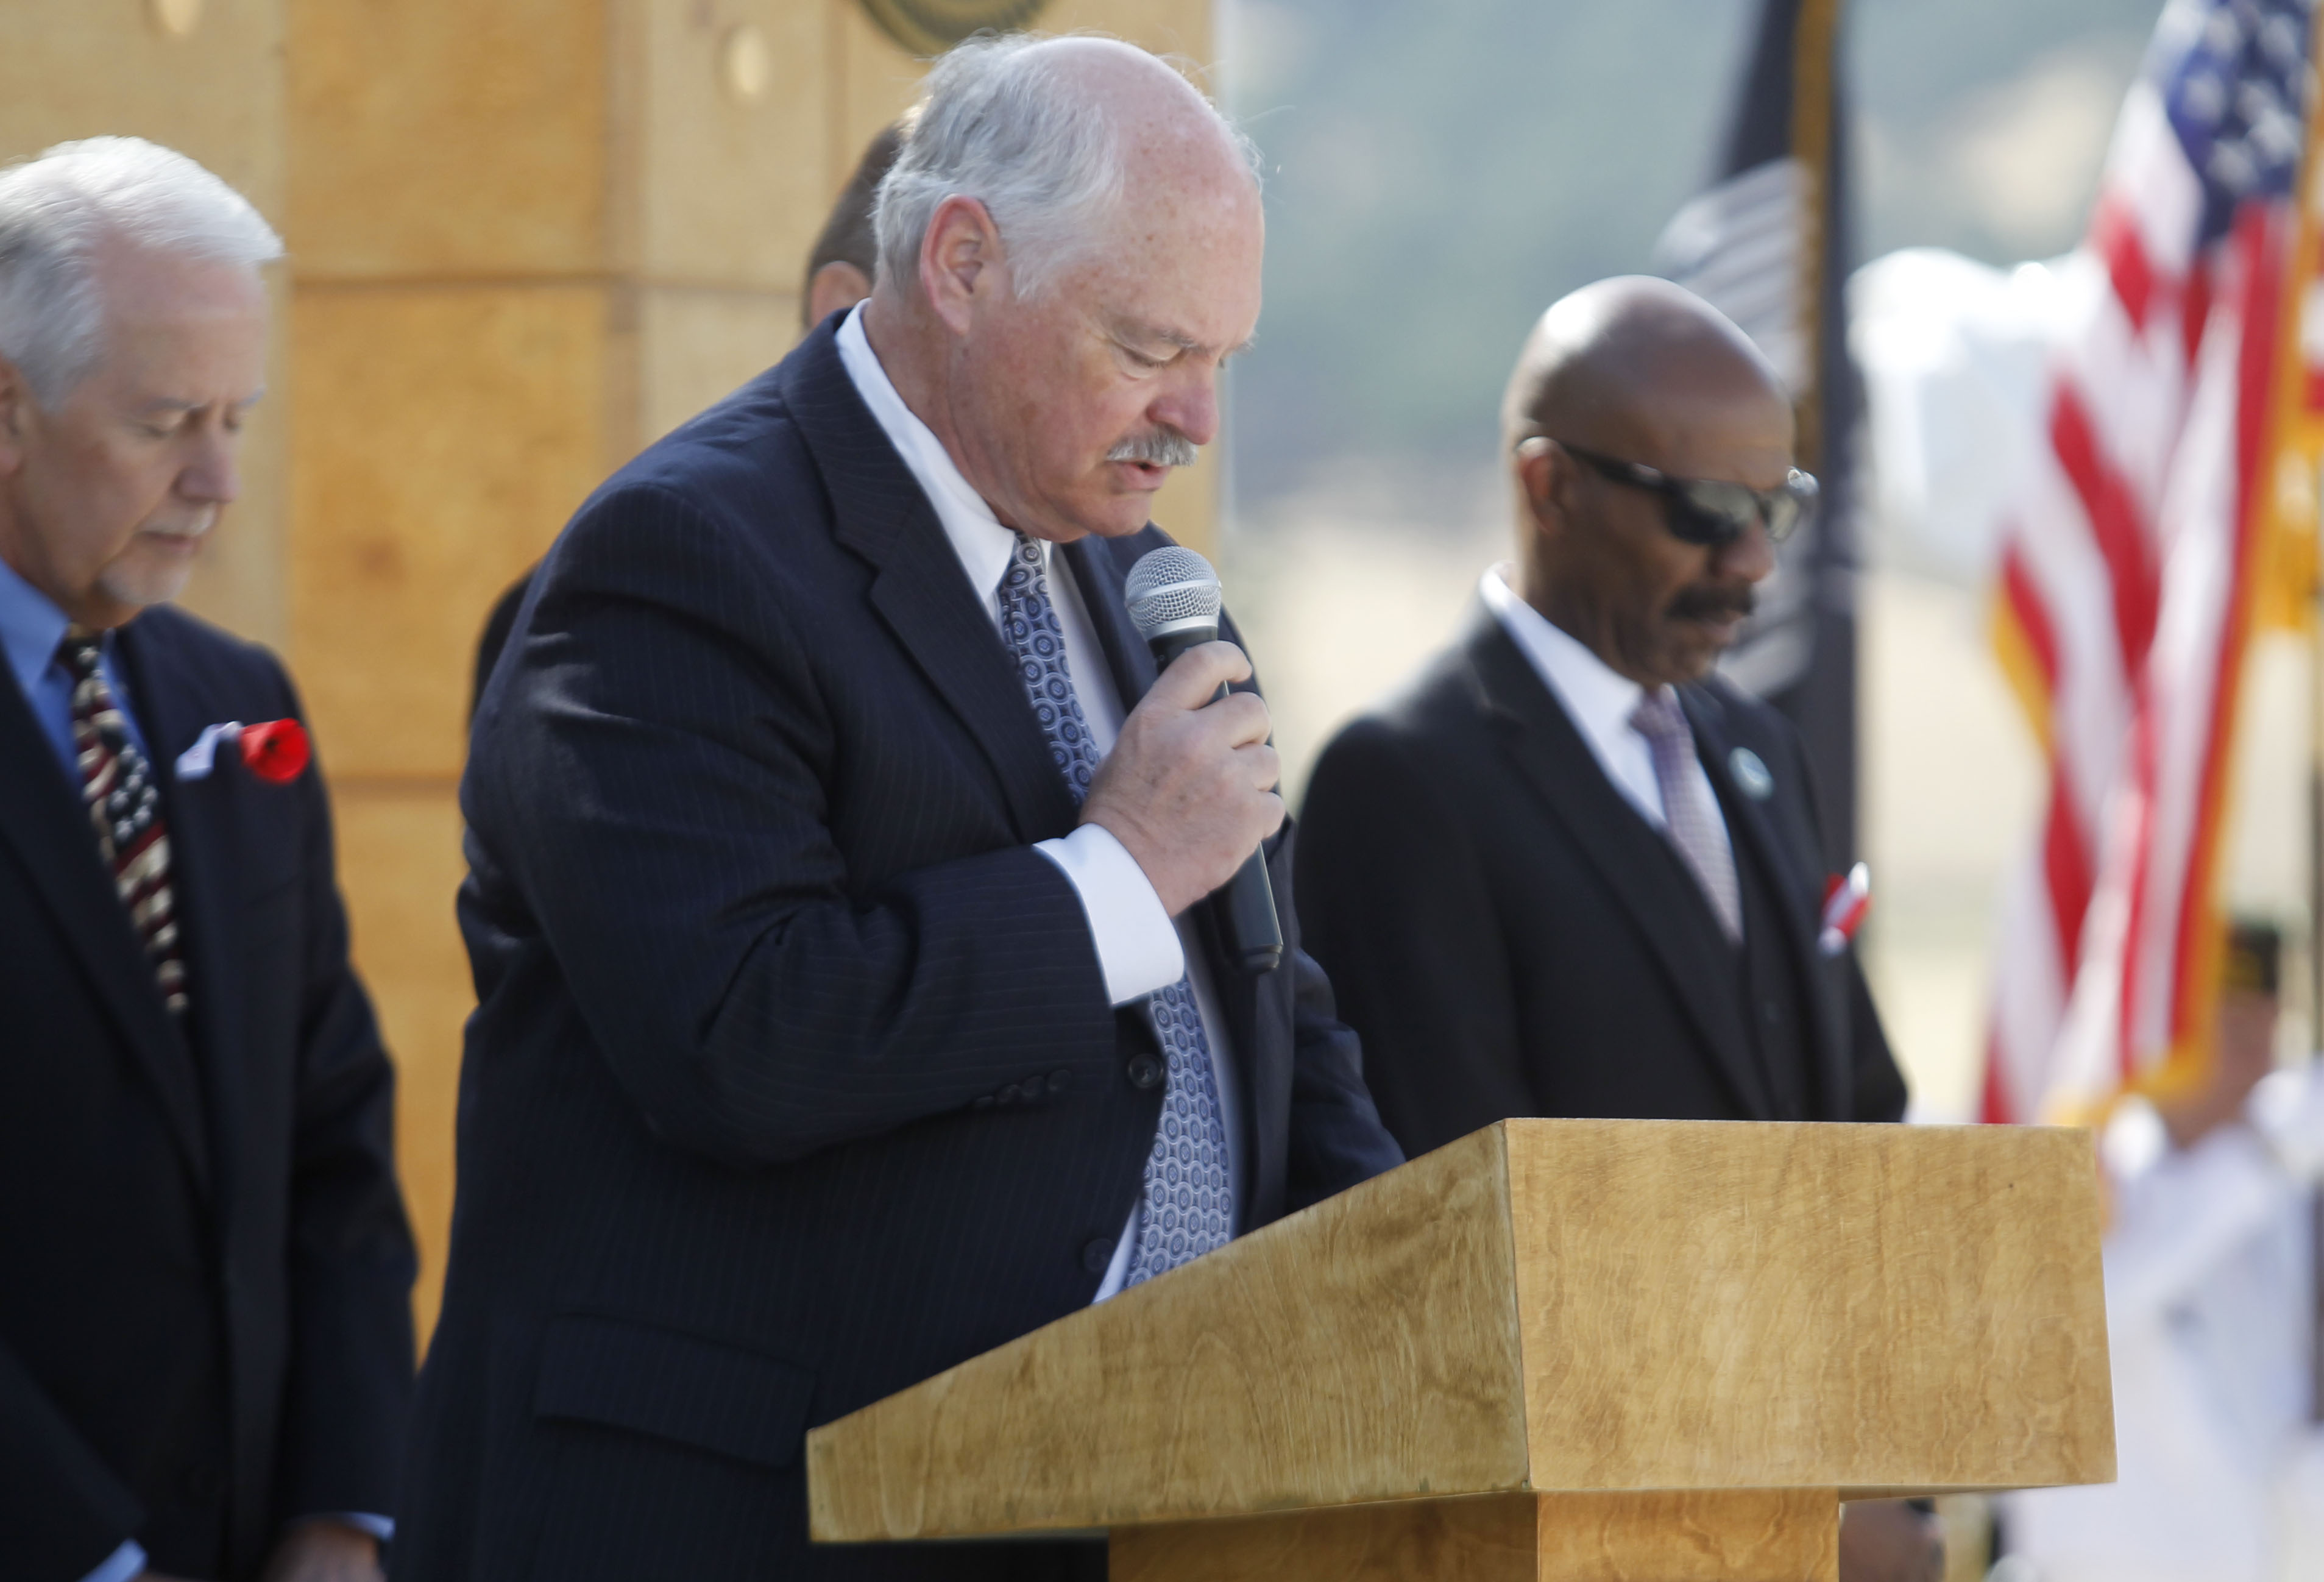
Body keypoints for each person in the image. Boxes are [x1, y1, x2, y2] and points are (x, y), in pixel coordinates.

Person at [396, 35, 1400, 1581]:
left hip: (1128, 1508)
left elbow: (1257, 997)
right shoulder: (679, 557)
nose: (1193, 417)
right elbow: (740, 1031)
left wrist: (1432, 1270)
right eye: (1146, 346)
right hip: (751, 1518)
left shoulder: (1143, 582)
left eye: (1222, 358)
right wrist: (1116, 873)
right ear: (961, 263)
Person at [1294, 276, 1930, 1580]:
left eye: (1777, 506)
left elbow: (1856, 1118)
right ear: (1549, 485)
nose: (1751, 559)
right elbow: (1468, 1250)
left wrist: (1873, 1463)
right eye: (1706, 511)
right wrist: (1778, 1516)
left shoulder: (1758, 753)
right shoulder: (1406, 781)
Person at [0, 138, 416, 1582]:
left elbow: (334, 1143)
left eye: (239, 414)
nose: (219, 478)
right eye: (170, 419)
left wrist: (340, 1511)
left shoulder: (236, 698)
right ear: (7, 407)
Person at [470, 122, 906, 714]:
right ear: (842, 303)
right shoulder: (651, 578)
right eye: (960, 275)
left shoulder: (1045, 556)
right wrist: (1084, 814)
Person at [1996, 923, 2324, 1582]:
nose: (2248, 1047)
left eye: (2264, 1019)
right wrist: (2261, 1157)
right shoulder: (2097, 1177)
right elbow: (2094, 1305)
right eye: (2222, 1020)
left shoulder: (2289, 1200)